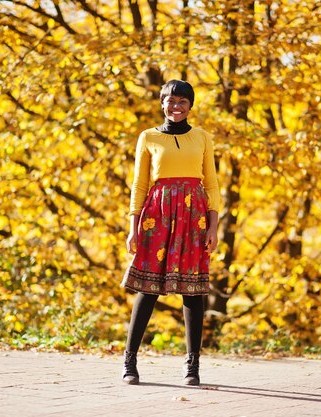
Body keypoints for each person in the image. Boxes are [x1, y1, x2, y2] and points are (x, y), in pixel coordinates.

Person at [121, 79, 220, 386]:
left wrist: (214, 226)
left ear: (190, 106)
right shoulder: (148, 137)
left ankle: (192, 366)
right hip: (157, 214)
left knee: (193, 291)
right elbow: (139, 184)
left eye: (182, 102)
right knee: (148, 289)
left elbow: (212, 184)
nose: (176, 107)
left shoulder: (202, 137)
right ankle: (129, 361)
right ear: (162, 103)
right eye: (171, 101)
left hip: (194, 216)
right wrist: (133, 227)